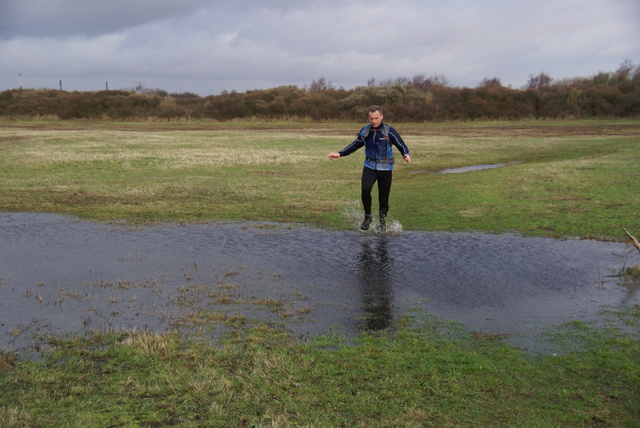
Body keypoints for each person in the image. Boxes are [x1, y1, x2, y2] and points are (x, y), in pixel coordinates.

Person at [328, 105, 411, 230]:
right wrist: (340, 154)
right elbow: (355, 144)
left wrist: (405, 153)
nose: (373, 121)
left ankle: (382, 223)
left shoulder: (389, 131)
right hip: (370, 166)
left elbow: (401, 144)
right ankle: (368, 217)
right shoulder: (365, 131)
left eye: (376, 118)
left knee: (383, 199)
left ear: (381, 117)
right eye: (371, 118)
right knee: (365, 189)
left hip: (385, 168)